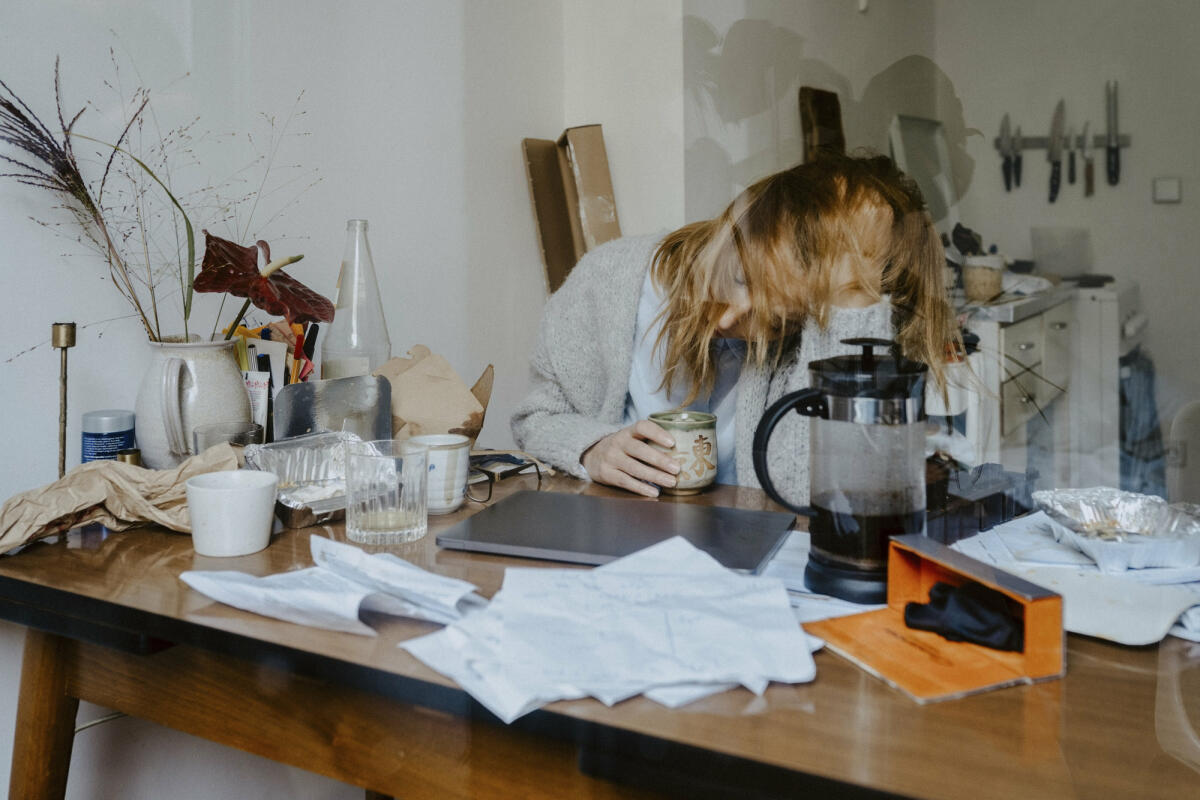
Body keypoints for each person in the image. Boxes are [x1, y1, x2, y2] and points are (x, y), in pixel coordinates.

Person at [511, 152, 957, 504]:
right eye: (740, 278)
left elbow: (808, 491)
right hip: (615, 536)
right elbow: (538, 419)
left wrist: (849, 305)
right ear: (733, 229)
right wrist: (594, 448)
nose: (727, 319)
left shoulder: (812, 334)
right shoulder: (608, 279)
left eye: (777, 320)